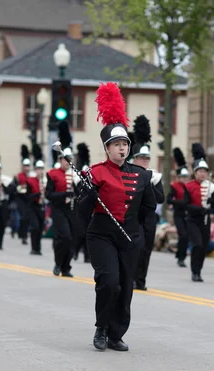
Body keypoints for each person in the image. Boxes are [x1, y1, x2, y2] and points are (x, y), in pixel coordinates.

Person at [78, 82, 157, 351]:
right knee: (109, 282)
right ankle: (101, 327)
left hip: (130, 236)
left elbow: (149, 210)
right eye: (116, 144)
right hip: (101, 234)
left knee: (125, 289)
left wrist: (144, 240)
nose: (122, 149)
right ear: (107, 148)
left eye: (125, 144)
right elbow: (80, 210)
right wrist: (87, 192)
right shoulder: (95, 172)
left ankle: (116, 334)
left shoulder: (142, 175)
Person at [130, 115, 164, 291]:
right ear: (135, 158)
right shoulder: (130, 174)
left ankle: (141, 280)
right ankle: (133, 278)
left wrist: (149, 183)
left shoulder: (154, 176)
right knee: (138, 247)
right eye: (141, 158)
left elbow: (161, 198)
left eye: (147, 158)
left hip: (150, 218)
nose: (145, 161)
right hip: (134, 217)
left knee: (147, 249)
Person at [183, 143, 214, 282]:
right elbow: (186, 205)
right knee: (197, 244)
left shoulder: (211, 187)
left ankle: (199, 271)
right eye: (200, 171)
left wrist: (213, 200)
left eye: (205, 171)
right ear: (195, 172)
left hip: (205, 220)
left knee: (204, 247)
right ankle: (194, 271)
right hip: (192, 220)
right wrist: (199, 209)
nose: (202, 173)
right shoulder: (189, 186)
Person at [46, 121, 76, 278]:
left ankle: (66, 267)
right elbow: (48, 195)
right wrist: (65, 194)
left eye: (70, 159)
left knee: (72, 240)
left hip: (72, 210)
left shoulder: (75, 174)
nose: (67, 162)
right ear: (60, 160)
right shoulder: (52, 174)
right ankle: (58, 263)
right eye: (65, 159)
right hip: (58, 209)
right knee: (64, 237)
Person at [166, 148, 190, 268]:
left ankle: (181, 255)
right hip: (179, 214)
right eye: (183, 177)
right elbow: (169, 200)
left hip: (189, 214)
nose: (185, 179)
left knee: (187, 237)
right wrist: (180, 203)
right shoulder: (174, 186)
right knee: (183, 235)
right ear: (179, 177)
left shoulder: (190, 187)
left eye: (187, 177)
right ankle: (180, 257)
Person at [25, 144, 46, 255]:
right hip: (32, 206)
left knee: (40, 227)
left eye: (41, 169)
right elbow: (27, 196)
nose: (40, 171)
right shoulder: (30, 181)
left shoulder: (45, 180)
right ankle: (34, 247)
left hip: (41, 206)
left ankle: (38, 248)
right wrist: (38, 193)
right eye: (38, 169)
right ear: (35, 170)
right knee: (35, 227)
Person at [15, 145, 31, 245]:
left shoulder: (31, 176)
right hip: (20, 198)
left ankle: (23, 234)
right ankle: (22, 234)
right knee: (23, 216)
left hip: (28, 198)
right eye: (25, 166)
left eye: (28, 166)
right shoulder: (19, 176)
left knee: (27, 217)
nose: (27, 168)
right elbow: (17, 188)